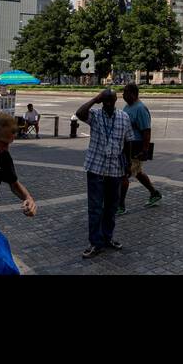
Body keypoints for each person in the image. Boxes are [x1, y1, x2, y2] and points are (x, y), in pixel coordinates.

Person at [74, 88, 133, 258]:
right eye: (105, 100)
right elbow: (79, 113)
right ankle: (95, 242)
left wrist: (128, 163)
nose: (108, 104)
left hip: (115, 169)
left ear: (115, 101)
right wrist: (95, 98)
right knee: (95, 208)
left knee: (111, 207)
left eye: (110, 100)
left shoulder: (124, 117)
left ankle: (107, 238)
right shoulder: (95, 115)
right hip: (96, 168)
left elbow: (128, 141)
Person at [118, 83, 161, 215]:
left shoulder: (140, 108)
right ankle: (154, 193)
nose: (123, 95)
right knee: (137, 172)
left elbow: (146, 131)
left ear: (132, 93)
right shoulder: (128, 106)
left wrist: (145, 149)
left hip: (135, 146)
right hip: (126, 146)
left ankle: (120, 206)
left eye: (125, 92)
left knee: (124, 175)